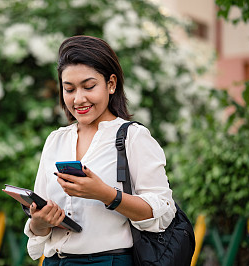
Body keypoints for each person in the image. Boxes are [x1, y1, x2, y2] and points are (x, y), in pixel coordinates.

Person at [24, 35, 176, 265]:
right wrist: (40, 222)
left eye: (89, 86)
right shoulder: (55, 140)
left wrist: (104, 194)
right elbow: (40, 220)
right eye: (69, 89)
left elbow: (162, 211)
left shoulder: (133, 137)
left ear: (111, 84)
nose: (78, 99)